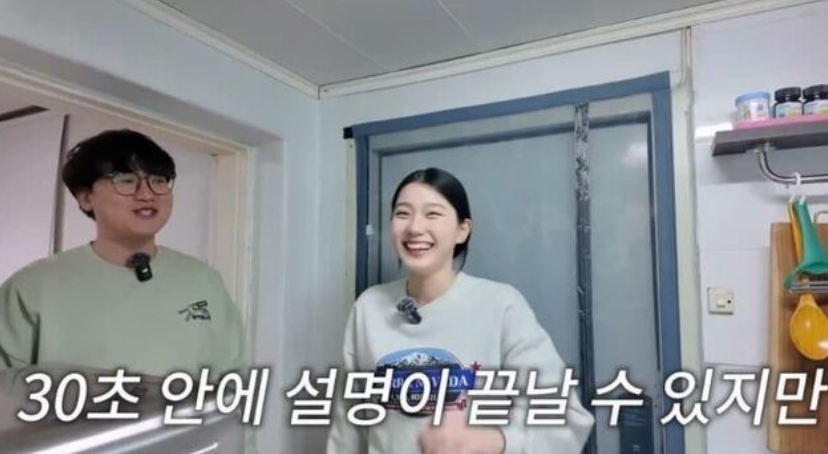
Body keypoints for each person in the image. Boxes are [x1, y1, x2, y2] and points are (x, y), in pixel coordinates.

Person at [326, 168, 594, 454]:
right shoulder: (369, 307)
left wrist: (493, 441)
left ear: (462, 230)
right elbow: (348, 429)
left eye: (432, 214)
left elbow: (567, 419)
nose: (414, 227)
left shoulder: (501, 306)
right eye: (402, 213)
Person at [0, 129, 246, 379]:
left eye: (158, 180)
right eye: (126, 180)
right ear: (86, 198)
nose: (147, 194)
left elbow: (231, 383)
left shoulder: (203, 281)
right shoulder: (32, 286)